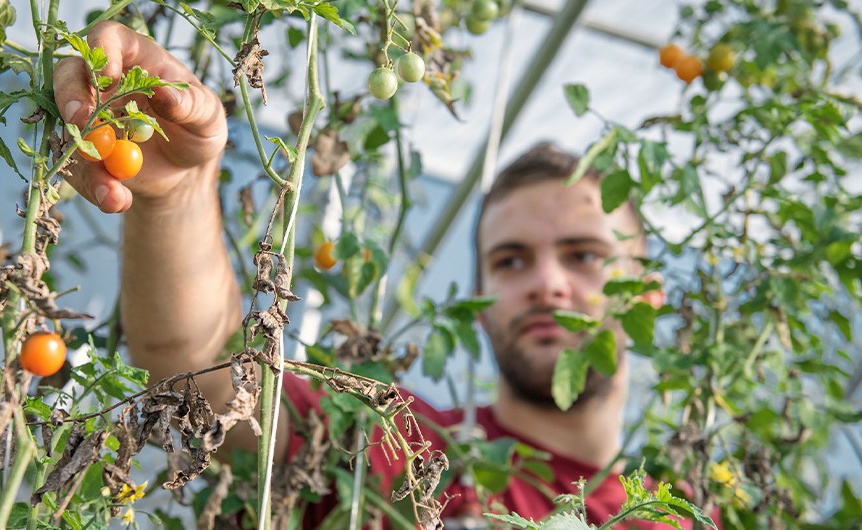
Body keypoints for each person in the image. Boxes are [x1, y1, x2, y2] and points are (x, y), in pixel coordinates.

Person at [55, 21, 707, 530]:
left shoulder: (674, 520)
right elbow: (203, 372)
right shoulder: (404, 448)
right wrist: (177, 193)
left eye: (585, 255)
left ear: (648, 297)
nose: (547, 283)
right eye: (510, 260)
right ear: (478, 302)